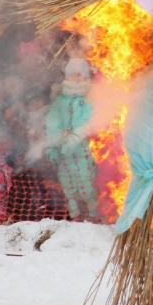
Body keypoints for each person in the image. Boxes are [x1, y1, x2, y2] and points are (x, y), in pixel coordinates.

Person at [45, 59, 99, 221]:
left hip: (83, 148)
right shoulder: (60, 100)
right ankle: (75, 215)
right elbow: (52, 122)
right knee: (68, 184)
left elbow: (87, 122)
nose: (75, 78)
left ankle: (93, 215)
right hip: (63, 148)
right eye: (72, 74)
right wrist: (52, 146)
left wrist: (75, 138)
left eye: (79, 74)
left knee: (86, 182)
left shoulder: (89, 98)